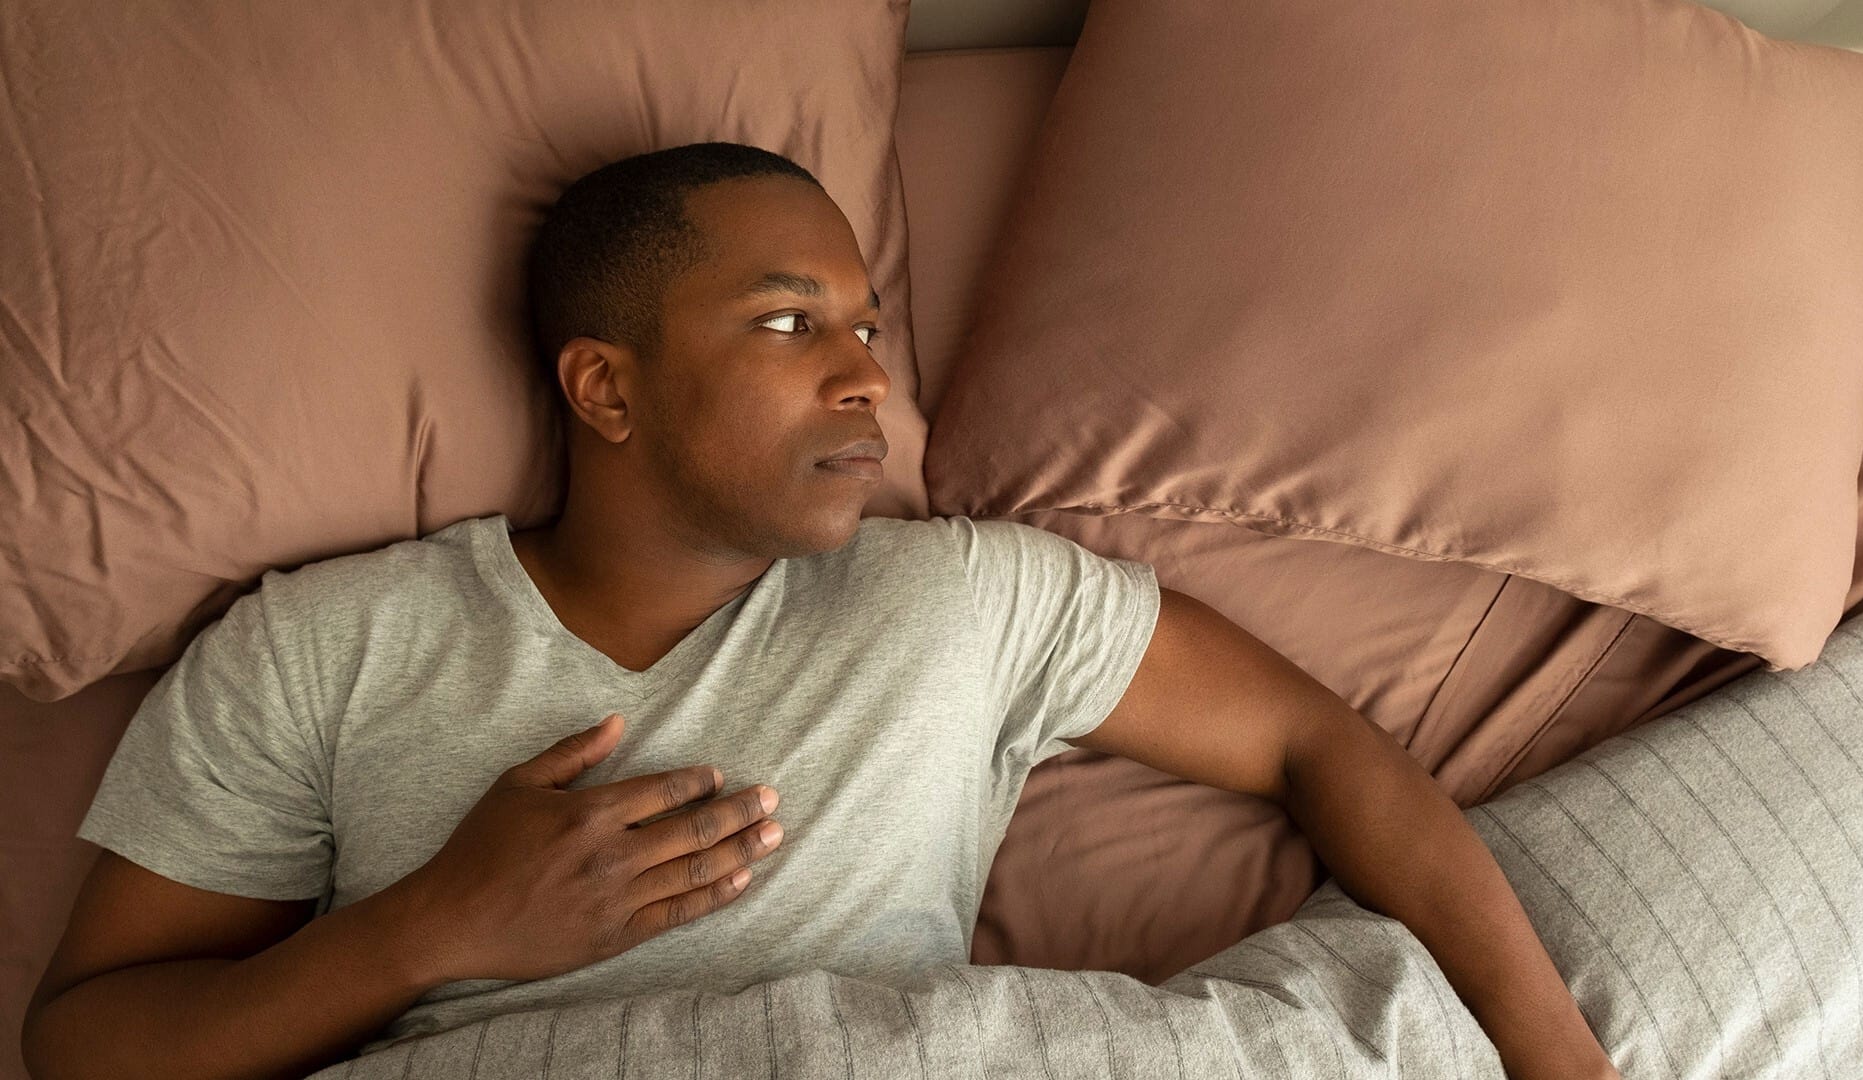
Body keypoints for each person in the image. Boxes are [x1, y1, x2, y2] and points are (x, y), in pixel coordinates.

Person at [20, 142, 1166, 1077]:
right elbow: (85, 1045)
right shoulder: (318, 647)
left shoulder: (969, 597)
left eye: (867, 330)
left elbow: (1280, 743)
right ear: (606, 387)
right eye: (788, 322)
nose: (870, 377)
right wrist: (429, 928)